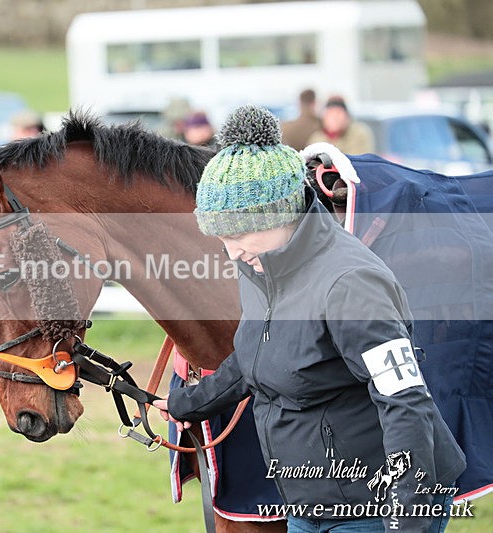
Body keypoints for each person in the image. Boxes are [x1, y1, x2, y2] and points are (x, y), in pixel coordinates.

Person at [154, 105, 466, 532]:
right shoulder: (260, 270)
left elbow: (405, 401)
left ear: (285, 215)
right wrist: (184, 403)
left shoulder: (351, 284)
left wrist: (406, 516)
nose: (233, 252)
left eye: (242, 235)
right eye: (223, 238)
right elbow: (254, 356)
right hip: (307, 504)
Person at [307, 95, 374, 154]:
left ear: (346, 116)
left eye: (338, 113)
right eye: (331, 113)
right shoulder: (317, 138)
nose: (335, 118)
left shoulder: (358, 133)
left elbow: (360, 160)